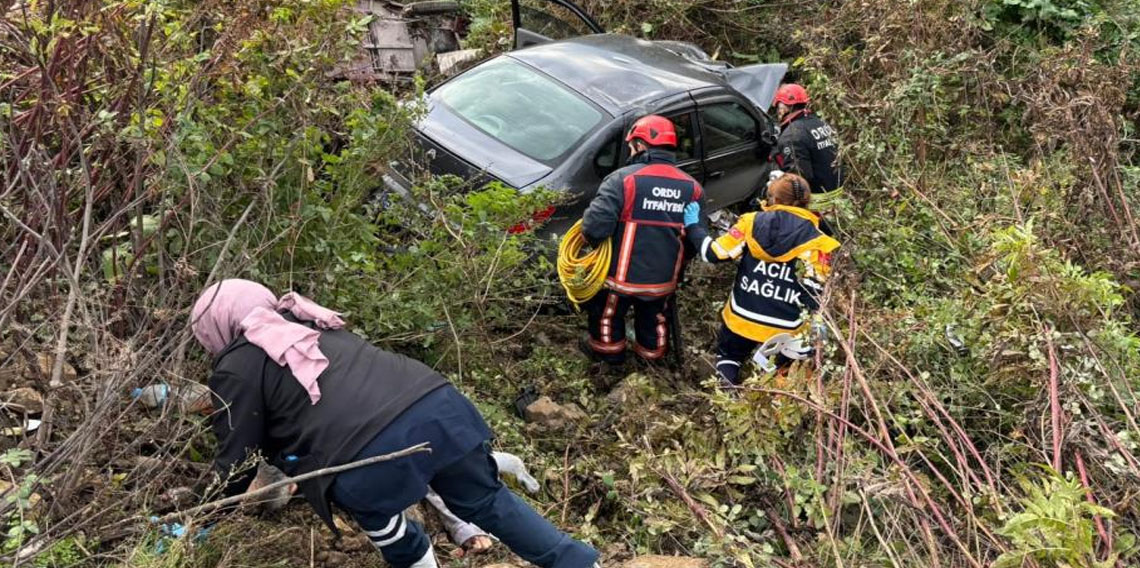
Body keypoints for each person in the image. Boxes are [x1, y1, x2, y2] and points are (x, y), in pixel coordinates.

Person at [190, 279, 598, 568]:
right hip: (441, 411)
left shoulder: (237, 365)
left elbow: (237, 460)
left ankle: (417, 559)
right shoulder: (311, 321)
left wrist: (201, 520)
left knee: (381, 518)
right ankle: (579, 563)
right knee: (489, 502)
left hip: (368, 453)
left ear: (216, 326)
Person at [682, 174, 840, 388]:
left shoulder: (750, 222)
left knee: (729, 354)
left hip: (743, 315)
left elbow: (714, 253)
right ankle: (771, 386)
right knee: (782, 368)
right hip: (786, 328)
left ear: (774, 199)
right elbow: (815, 292)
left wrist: (694, 227)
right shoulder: (820, 241)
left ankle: (726, 388)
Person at [579, 114, 703, 367]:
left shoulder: (622, 179)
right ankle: (650, 363)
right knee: (655, 320)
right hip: (662, 282)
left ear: (640, 145)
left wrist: (598, 251)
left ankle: (610, 359)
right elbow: (695, 240)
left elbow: (594, 228)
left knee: (607, 316)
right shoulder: (693, 188)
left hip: (619, 280)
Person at [771, 84, 843, 199]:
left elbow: (798, 179)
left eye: (778, 106)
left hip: (817, 197)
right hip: (838, 192)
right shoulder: (820, 122)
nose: (777, 111)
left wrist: (777, 185)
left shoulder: (791, 135)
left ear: (784, 107)